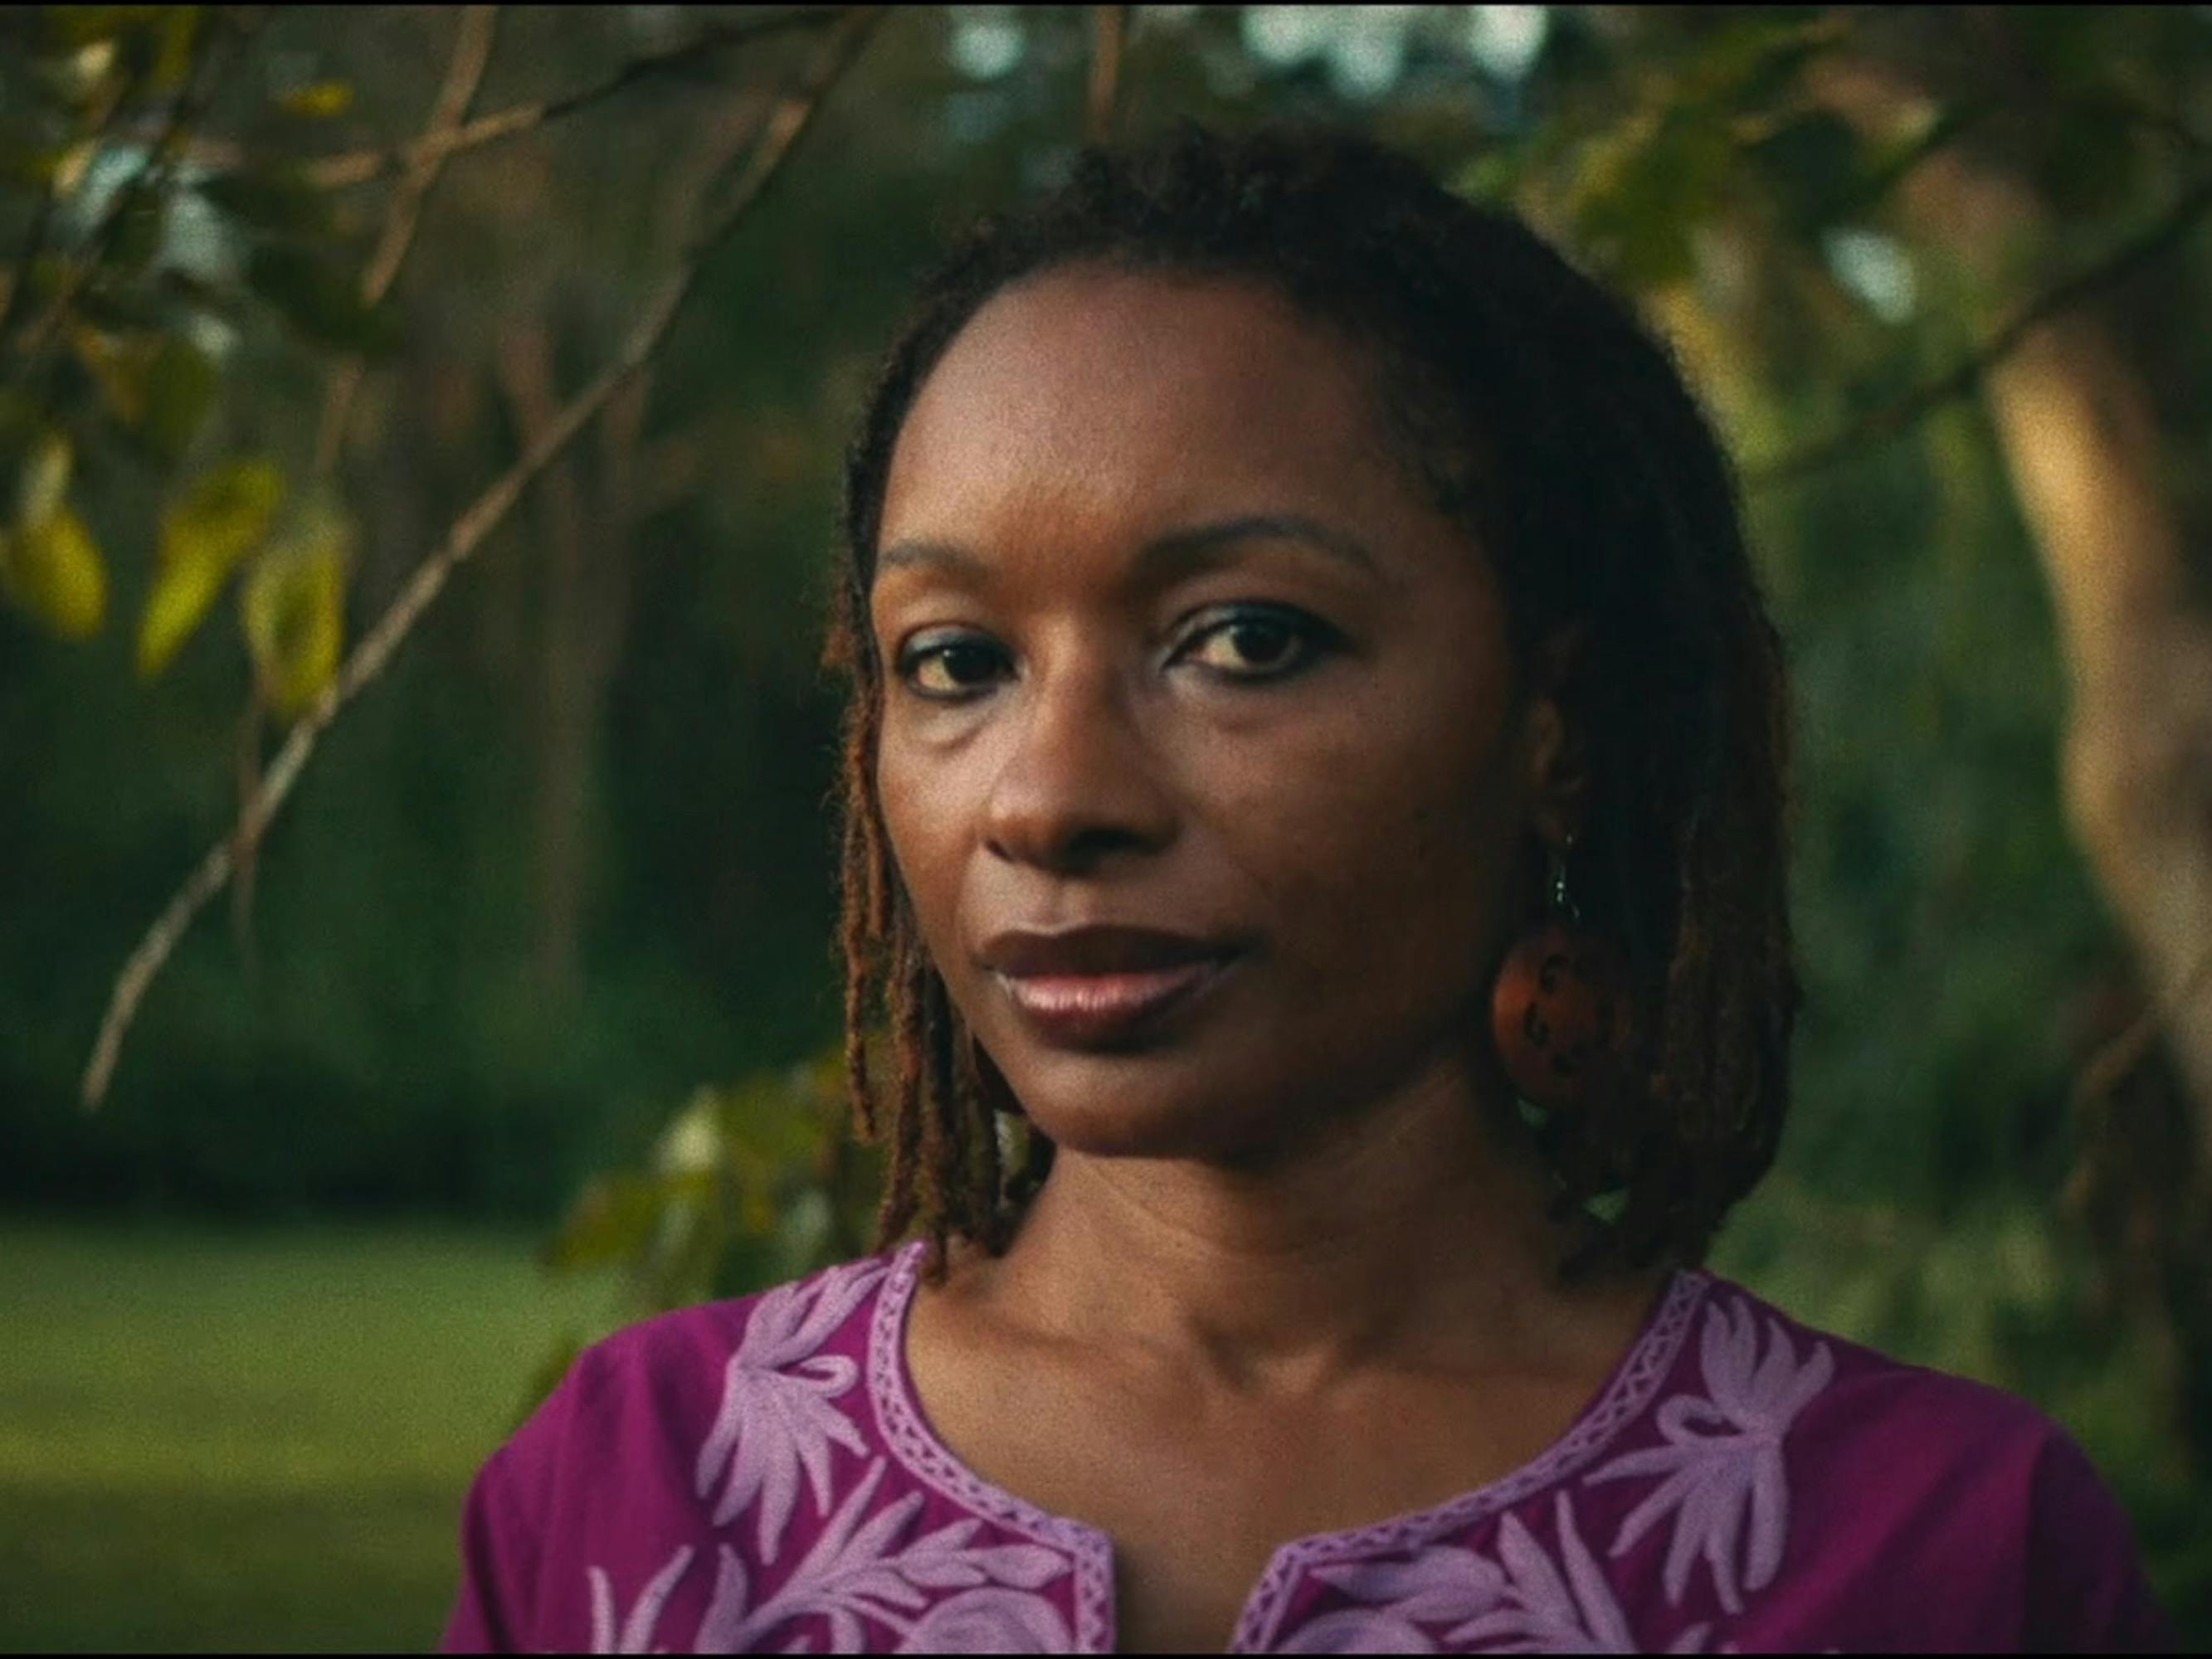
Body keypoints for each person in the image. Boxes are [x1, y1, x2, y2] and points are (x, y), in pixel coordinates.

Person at [441, 123, 2175, 1654]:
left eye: (1242, 642)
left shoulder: (1934, 1556)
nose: (1049, 799)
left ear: (1550, 725)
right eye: (955, 660)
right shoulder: (640, 1503)